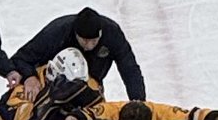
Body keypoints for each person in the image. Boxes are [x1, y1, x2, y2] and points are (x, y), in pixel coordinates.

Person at [12, 7, 146, 101]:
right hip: (52, 89)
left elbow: (129, 69)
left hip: (90, 86)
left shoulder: (112, 33)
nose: (89, 46)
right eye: (84, 41)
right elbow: (20, 58)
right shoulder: (57, 32)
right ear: (75, 33)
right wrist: (29, 77)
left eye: (94, 41)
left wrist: (138, 101)